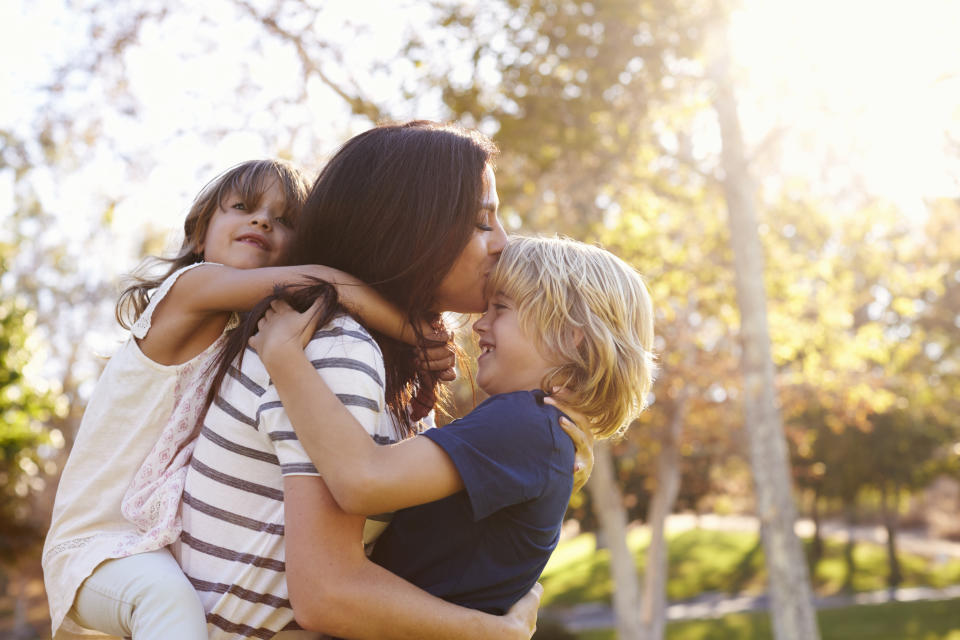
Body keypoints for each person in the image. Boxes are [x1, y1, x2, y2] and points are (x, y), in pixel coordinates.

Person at [177, 121, 574, 639]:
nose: (503, 243)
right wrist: (492, 633)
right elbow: (328, 595)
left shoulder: (387, 365)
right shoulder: (337, 350)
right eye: (482, 222)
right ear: (411, 229)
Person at [41, 159, 435, 640]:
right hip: (96, 546)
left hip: (154, 542)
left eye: (284, 219)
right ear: (200, 236)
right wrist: (416, 337)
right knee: (167, 604)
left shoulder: (250, 333)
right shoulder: (190, 289)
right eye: (243, 207)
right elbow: (322, 284)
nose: (263, 221)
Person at [252, 234, 656, 615]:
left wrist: (284, 356)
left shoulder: (524, 423)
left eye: (502, 308)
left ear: (571, 338)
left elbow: (363, 479)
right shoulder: (540, 432)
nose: (480, 324)